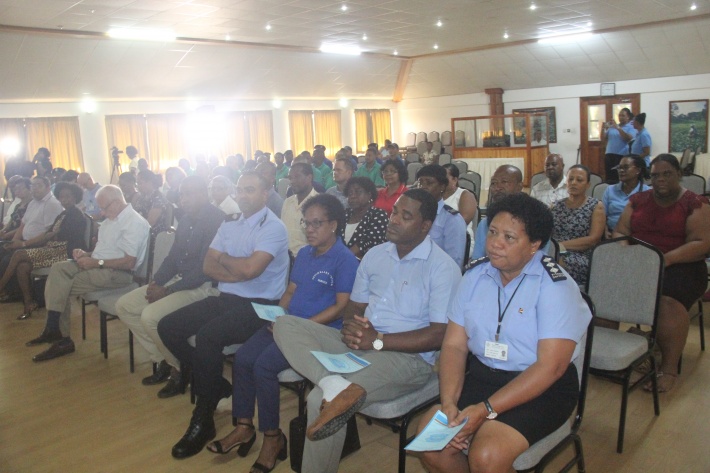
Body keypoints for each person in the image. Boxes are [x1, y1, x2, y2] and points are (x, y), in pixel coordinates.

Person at [273, 188, 461, 473]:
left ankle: (331, 395)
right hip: (362, 343)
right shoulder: (375, 256)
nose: (394, 220)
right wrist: (352, 327)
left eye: (405, 216)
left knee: (318, 400)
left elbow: (439, 335)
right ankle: (332, 381)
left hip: (407, 359)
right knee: (284, 324)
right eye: (394, 212)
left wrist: (379, 340)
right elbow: (354, 306)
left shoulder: (442, 268)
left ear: (425, 226)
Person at [418, 193, 591, 473]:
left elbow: (551, 366)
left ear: (535, 245)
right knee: (432, 441)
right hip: (484, 377)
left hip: (541, 387)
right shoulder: (474, 277)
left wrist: (485, 409)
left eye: (509, 238)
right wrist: (449, 401)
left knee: (487, 455)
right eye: (493, 232)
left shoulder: (555, 287)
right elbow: (454, 346)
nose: (495, 243)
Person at [207, 194, 359, 472]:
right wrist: (277, 315)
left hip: (316, 332)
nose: (309, 229)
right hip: (288, 323)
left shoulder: (344, 260)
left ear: (334, 225)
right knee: (242, 359)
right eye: (306, 223)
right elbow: (290, 291)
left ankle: (273, 438)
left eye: (317, 223)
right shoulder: (303, 254)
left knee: (263, 367)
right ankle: (243, 426)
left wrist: (298, 325)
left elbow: (341, 307)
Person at [157, 172, 290, 459]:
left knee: (208, 337)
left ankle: (203, 417)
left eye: (250, 190)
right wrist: (235, 267)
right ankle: (215, 384)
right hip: (227, 298)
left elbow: (250, 270)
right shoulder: (230, 223)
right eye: (239, 190)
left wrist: (226, 262)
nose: (242, 195)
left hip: (260, 305)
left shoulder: (274, 228)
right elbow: (208, 265)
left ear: (265, 194)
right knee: (168, 326)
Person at [114, 176, 225, 397]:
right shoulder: (185, 220)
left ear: (204, 194)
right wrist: (157, 282)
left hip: (203, 287)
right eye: (182, 194)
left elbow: (205, 268)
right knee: (125, 306)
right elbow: (173, 258)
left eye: (189, 194)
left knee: (149, 316)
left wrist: (167, 290)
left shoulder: (216, 220)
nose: (184, 199)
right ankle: (164, 360)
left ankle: (179, 369)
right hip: (179, 282)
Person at [614, 154, 710, 393]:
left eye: (667, 173)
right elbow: (620, 233)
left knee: (667, 302)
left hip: (682, 266)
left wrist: (664, 260)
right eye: (655, 175)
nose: (660, 179)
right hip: (641, 264)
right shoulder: (637, 200)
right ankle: (615, 355)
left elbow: (701, 243)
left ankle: (668, 369)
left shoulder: (694, 203)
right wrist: (628, 257)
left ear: (679, 174)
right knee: (605, 293)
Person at [26, 185, 150, 362]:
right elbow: (104, 252)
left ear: (116, 203)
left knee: (60, 285)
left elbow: (129, 262)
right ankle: (54, 331)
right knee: (58, 269)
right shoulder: (110, 220)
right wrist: (86, 254)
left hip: (118, 274)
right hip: (100, 266)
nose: (102, 212)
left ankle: (60, 336)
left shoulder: (134, 222)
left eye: (104, 208)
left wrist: (96, 262)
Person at [0, 182, 87, 320]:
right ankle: (29, 303)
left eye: (68, 197)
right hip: (52, 249)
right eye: (62, 197)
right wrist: (48, 236)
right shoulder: (63, 214)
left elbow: (63, 236)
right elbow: (49, 233)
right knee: (22, 267)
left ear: (75, 197)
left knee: (18, 254)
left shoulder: (76, 215)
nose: (64, 200)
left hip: (64, 252)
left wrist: (47, 236)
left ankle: (1, 287)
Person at [551, 165, 606, 286]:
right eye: (570, 179)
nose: (573, 183)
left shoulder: (596, 206)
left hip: (580, 256)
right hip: (553, 252)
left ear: (588, 185)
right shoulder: (556, 206)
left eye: (579, 180)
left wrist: (559, 246)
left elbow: (593, 240)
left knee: (554, 262)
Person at [416, 165, 468, 268]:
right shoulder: (414, 214)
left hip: (436, 276)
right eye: (420, 183)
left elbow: (454, 263)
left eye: (429, 183)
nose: (423, 187)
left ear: (442, 186)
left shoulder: (452, 220)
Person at [472, 165, 524, 259]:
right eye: (493, 183)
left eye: (504, 182)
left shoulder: (534, 222)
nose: (497, 188)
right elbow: (477, 260)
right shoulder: (485, 224)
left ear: (519, 187)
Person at [340, 177, 388, 259]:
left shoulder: (378, 215)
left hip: (367, 264)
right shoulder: (343, 214)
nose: (353, 196)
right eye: (350, 193)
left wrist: (342, 258)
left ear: (369, 195)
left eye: (358, 192)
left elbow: (368, 242)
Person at [602, 154, 650, 233]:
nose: (621, 170)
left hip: (637, 235)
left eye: (626, 167)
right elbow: (602, 216)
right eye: (619, 167)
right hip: (611, 233)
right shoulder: (610, 190)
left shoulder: (647, 192)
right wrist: (605, 230)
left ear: (638, 170)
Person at [282, 162, 319, 254]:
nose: (292, 181)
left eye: (297, 177)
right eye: (290, 178)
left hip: (308, 257)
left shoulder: (319, 203)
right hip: (285, 257)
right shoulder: (287, 202)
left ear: (309, 177)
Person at [603, 108, 636, 184]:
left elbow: (627, 138)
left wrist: (618, 128)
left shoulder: (631, 127)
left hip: (621, 155)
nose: (620, 117)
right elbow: (604, 138)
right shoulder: (613, 127)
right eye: (619, 115)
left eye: (623, 115)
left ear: (628, 117)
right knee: (609, 176)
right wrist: (604, 128)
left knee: (618, 176)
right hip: (609, 154)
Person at [134, 170, 171, 234]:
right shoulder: (142, 197)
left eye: (140, 183)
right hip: (141, 231)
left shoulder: (158, 198)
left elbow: (150, 222)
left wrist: (134, 231)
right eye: (137, 183)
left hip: (153, 234)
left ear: (150, 182)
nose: (137, 186)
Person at [442, 164, 478, 228]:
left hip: (459, 234)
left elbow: (462, 222)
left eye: (444, 177)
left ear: (455, 180)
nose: (441, 180)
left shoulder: (465, 195)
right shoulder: (436, 195)